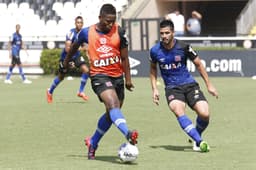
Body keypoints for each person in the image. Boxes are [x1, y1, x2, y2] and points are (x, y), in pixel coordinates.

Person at [62, 3, 138, 159]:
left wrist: (128, 79)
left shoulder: (120, 31)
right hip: (99, 76)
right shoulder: (86, 32)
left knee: (111, 114)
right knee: (113, 105)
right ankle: (128, 133)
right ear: (100, 18)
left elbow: (124, 57)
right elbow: (74, 47)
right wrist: (65, 64)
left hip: (117, 77)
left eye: (113, 21)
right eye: (107, 21)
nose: (110, 24)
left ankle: (93, 142)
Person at [149, 19, 218, 152]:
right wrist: (155, 89)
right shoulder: (155, 50)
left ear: (173, 33)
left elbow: (198, 64)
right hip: (172, 88)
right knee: (178, 110)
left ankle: (195, 134)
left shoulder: (184, 46)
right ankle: (200, 142)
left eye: (167, 33)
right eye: (162, 33)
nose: (164, 36)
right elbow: (152, 70)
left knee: (205, 114)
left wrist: (209, 85)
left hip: (190, 84)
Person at [46, 16, 89, 103]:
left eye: (81, 23)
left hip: (76, 56)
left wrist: (88, 53)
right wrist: (71, 60)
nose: (79, 24)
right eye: (78, 22)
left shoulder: (83, 33)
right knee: (61, 77)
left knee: (86, 70)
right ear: (75, 23)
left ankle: (80, 91)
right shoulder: (71, 33)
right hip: (66, 57)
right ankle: (50, 91)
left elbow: (85, 45)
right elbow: (67, 49)